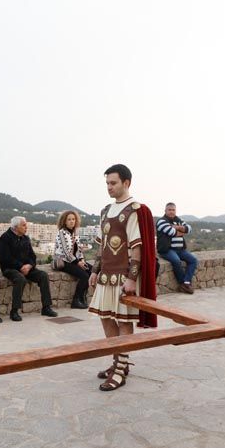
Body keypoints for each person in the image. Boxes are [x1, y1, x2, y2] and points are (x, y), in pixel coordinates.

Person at [88, 164, 157, 391]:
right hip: (106, 275)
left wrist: (131, 279)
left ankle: (121, 370)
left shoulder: (135, 210)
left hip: (124, 276)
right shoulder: (106, 210)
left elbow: (137, 248)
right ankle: (118, 362)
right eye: (107, 183)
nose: (109, 187)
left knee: (124, 321)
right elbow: (101, 247)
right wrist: (95, 271)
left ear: (126, 183)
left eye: (113, 183)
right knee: (106, 318)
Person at [0, 217, 57, 320]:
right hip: (10, 268)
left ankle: (46, 307)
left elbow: (33, 256)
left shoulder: (25, 238)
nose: (26, 227)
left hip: (27, 268)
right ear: (16, 227)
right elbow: (5, 258)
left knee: (43, 275)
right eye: (24, 225)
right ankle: (14, 311)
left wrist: (29, 265)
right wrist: (20, 266)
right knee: (20, 279)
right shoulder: (5, 238)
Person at [155, 203, 199, 293]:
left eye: (173, 210)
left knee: (193, 260)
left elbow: (189, 229)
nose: (171, 212)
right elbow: (172, 232)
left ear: (175, 211)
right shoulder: (161, 221)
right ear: (165, 211)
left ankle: (186, 283)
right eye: (169, 210)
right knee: (176, 261)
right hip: (167, 250)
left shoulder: (179, 220)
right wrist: (182, 231)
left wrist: (178, 227)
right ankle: (182, 283)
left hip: (180, 249)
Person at [54, 210, 91, 309]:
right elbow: (66, 252)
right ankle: (76, 300)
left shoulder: (75, 233)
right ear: (64, 221)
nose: (71, 221)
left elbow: (79, 249)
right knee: (84, 276)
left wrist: (82, 260)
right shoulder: (61, 233)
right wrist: (78, 263)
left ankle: (82, 297)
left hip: (75, 261)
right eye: (69, 219)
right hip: (63, 261)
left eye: (73, 219)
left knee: (90, 270)